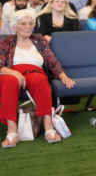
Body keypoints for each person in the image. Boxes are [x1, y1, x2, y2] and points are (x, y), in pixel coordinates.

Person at [0, 9, 75, 147]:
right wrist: (14, 73)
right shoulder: (6, 42)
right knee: (9, 82)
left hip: (35, 72)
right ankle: (11, 131)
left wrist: (63, 75)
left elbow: (51, 60)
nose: (28, 26)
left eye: (30, 23)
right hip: (11, 73)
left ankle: (49, 127)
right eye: (23, 23)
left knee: (40, 80)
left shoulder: (39, 40)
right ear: (14, 26)